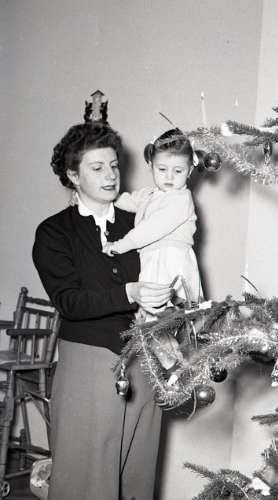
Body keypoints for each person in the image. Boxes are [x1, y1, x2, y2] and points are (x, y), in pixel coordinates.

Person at [32, 121, 172, 500]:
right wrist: (129, 292)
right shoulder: (54, 233)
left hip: (144, 359)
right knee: (85, 481)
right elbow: (69, 301)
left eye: (113, 165)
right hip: (88, 365)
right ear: (73, 176)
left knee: (137, 477)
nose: (110, 175)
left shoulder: (140, 224)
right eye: (97, 168)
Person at [102, 128, 203, 320]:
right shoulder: (149, 194)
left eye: (178, 171)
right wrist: (105, 197)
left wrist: (119, 246)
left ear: (190, 170)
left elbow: (150, 229)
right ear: (151, 165)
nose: (169, 177)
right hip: (151, 259)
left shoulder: (181, 199)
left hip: (172, 261)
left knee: (174, 317)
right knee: (151, 317)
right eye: (162, 169)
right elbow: (127, 200)